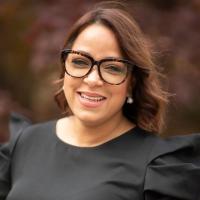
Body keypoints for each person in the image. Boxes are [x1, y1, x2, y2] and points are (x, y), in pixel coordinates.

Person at [0, 1, 200, 199]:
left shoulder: (158, 167)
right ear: (64, 69)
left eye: (112, 67)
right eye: (79, 61)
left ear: (132, 82)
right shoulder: (25, 143)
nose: (92, 79)